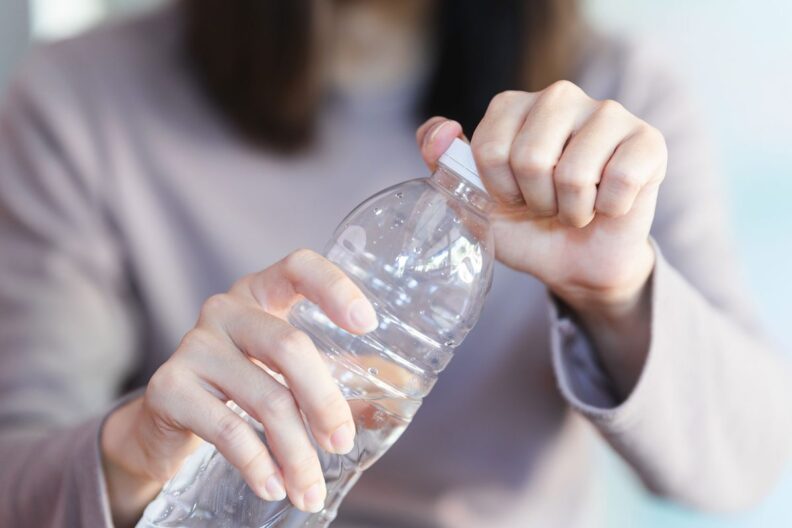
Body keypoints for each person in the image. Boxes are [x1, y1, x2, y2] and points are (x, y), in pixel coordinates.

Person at [0, 0, 790, 527]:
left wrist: (619, 295)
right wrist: (134, 452)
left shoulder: (609, 108)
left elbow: (745, 465)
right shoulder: (79, 104)